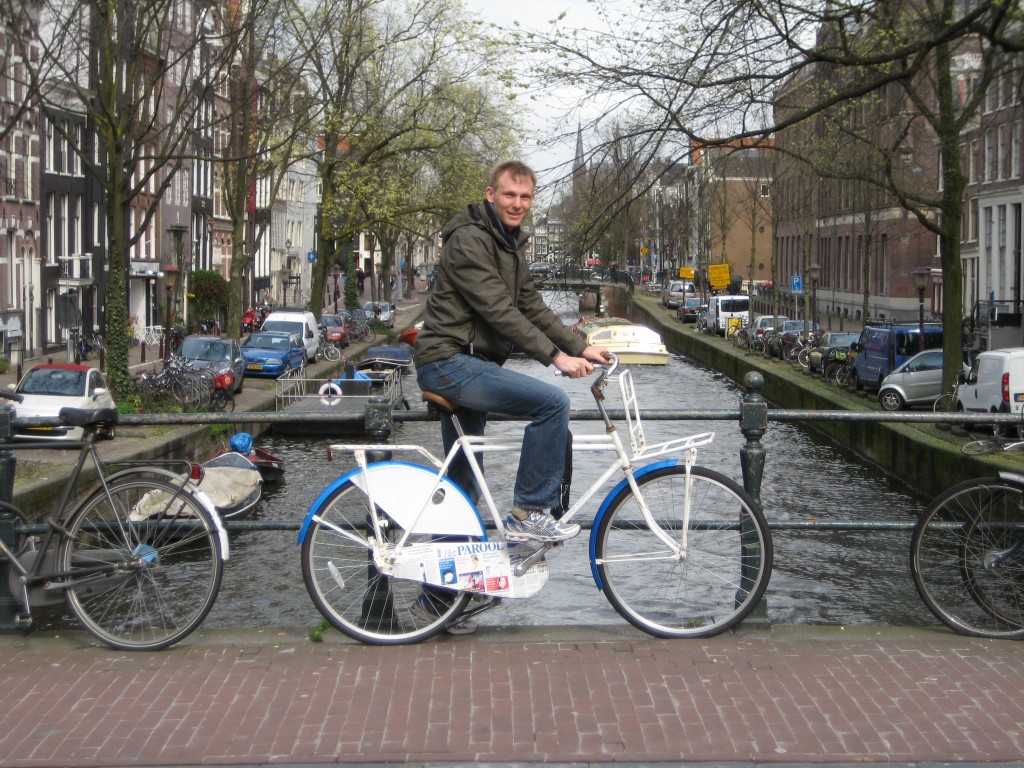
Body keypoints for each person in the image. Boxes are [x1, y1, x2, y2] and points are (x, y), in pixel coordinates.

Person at [414, 160, 610, 543]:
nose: (517, 203)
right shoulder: (470, 240)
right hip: (448, 362)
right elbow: (499, 311)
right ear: (491, 195)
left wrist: (582, 347)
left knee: (465, 480)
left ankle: (443, 595)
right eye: (509, 195)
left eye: (525, 197)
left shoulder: (509, 243)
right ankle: (528, 512)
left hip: (470, 363)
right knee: (552, 403)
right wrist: (556, 358)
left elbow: (532, 306)